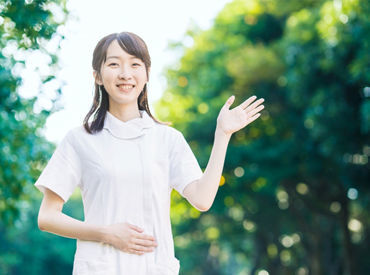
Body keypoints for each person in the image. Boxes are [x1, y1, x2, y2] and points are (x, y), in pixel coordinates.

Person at [35, 31, 265, 275]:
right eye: (114, 64)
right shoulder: (79, 139)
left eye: (135, 64)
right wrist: (106, 233)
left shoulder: (167, 139)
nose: (125, 73)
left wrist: (223, 134)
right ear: (98, 76)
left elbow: (202, 199)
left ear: (146, 74)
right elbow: (47, 217)